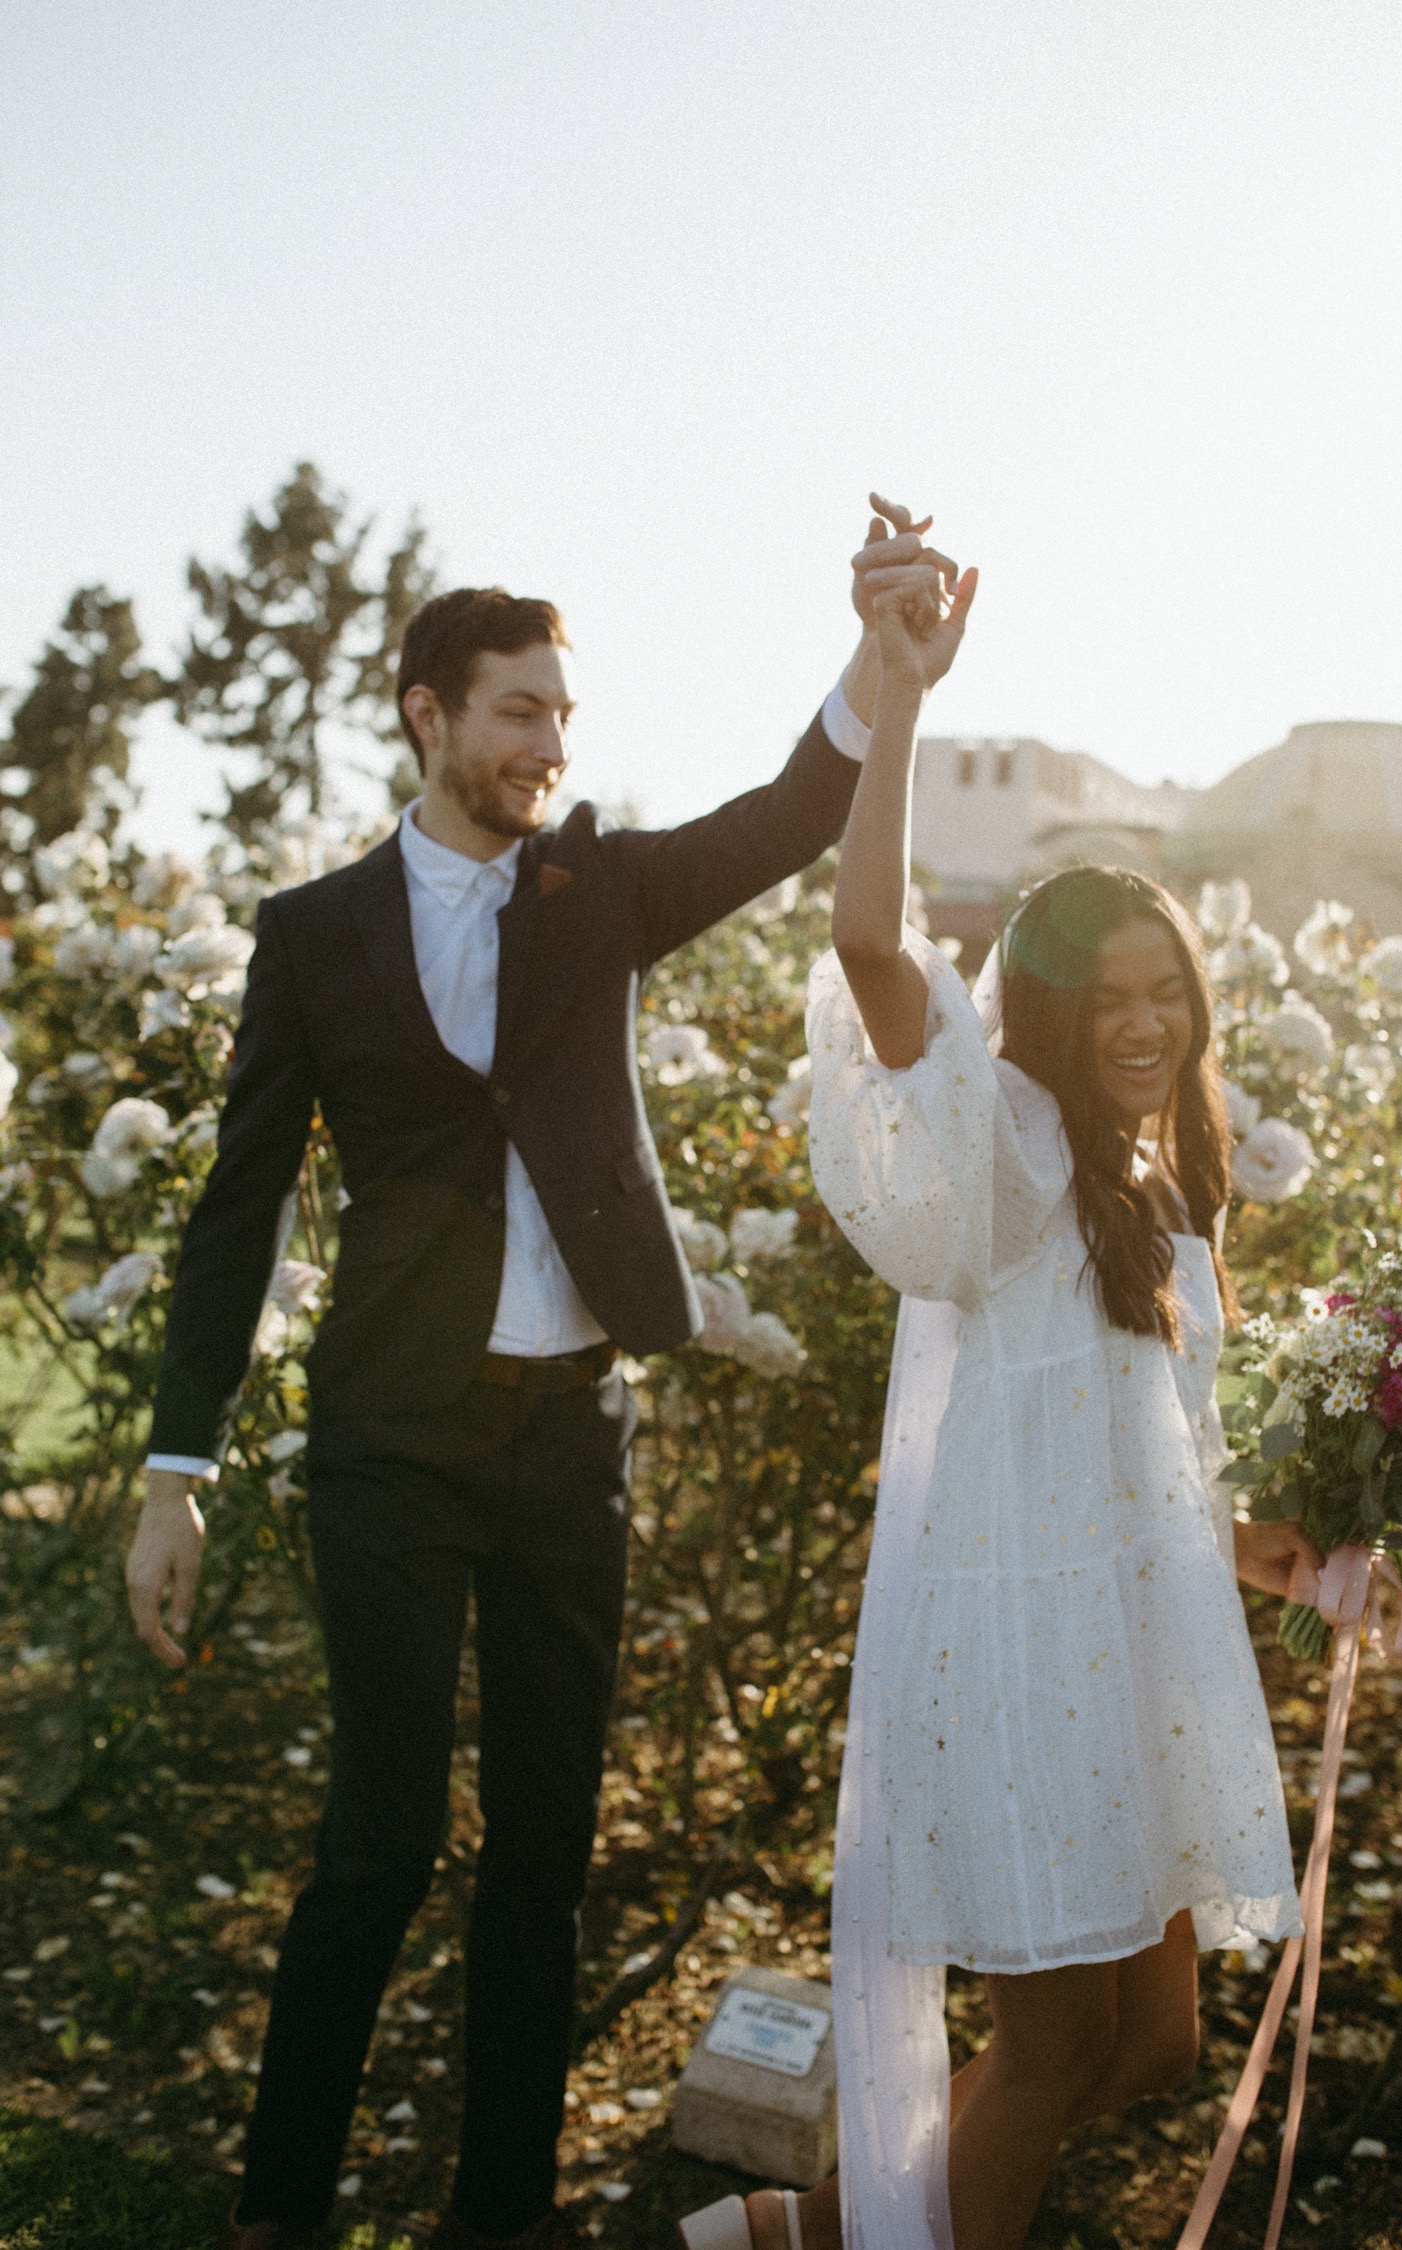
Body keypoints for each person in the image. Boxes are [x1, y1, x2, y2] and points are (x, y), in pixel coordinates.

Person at [124, 554, 905, 2250]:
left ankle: (499, 2217)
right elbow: (238, 1204)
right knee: (383, 1839)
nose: (549, 741)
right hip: (389, 1443)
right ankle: (277, 2206)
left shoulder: (602, 893)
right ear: (430, 714)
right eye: (518, 710)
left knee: (544, 1857)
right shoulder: (311, 936)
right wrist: (173, 1470)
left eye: (563, 711)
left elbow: (783, 816)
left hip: (573, 1439)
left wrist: (877, 657)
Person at [680, 514, 1321, 2250]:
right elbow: (877, 945)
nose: (1144, 1022)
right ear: (1041, 1013)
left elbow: (1168, 1460)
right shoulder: (1013, 1149)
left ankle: (814, 2228)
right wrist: (896, 695)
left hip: (1144, 1638)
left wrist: (1310, 1551)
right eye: (1107, 998)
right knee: (1051, 2054)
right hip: (1037, 1653)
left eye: (1163, 992)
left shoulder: (1158, 1177)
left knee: (1155, 2040)